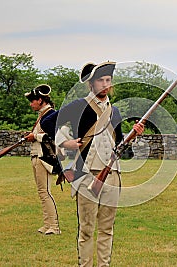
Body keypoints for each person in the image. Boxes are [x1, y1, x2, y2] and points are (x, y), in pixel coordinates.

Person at [42, 61, 144, 266]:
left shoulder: (114, 112)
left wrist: (133, 136)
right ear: (91, 84)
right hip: (88, 175)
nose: (105, 84)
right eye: (101, 80)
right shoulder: (79, 106)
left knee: (107, 228)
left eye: (108, 80)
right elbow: (48, 122)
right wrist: (65, 142)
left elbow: (123, 150)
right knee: (87, 229)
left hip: (112, 175)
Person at [24, 84, 61, 235]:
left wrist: (35, 136)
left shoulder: (50, 115)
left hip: (44, 158)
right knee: (42, 192)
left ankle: (54, 226)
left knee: (45, 192)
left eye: (33, 100)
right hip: (37, 156)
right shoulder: (43, 115)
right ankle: (47, 225)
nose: (31, 104)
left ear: (40, 100)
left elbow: (56, 137)